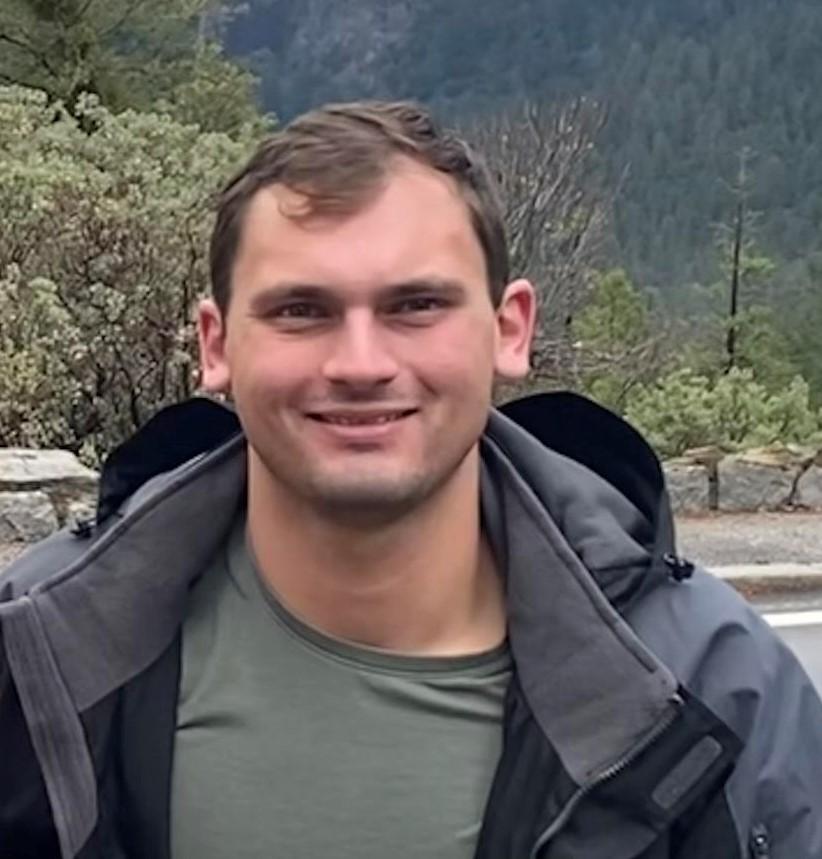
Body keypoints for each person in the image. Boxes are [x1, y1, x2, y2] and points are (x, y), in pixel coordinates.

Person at [1, 100, 820, 859]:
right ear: (215, 345)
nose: (361, 364)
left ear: (509, 329)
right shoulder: (41, 657)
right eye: (300, 310)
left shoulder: (712, 688)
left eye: (416, 305)